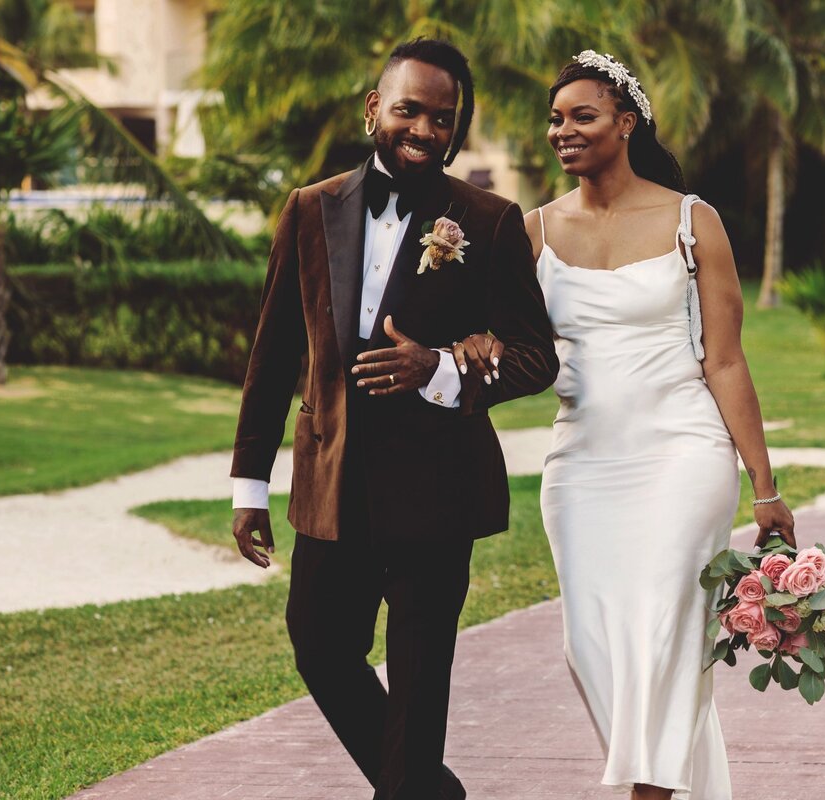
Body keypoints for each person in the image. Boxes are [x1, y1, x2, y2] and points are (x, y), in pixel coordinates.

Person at [229, 38, 558, 800]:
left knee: (418, 678)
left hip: (438, 488)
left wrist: (440, 367)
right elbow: (273, 354)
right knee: (319, 648)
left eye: (444, 119)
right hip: (331, 481)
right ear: (374, 106)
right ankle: (429, 790)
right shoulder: (310, 209)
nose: (425, 130)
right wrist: (251, 484)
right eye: (410, 109)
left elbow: (537, 356)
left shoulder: (491, 219)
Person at [523, 51, 796, 800]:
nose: (563, 131)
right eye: (555, 118)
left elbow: (728, 362)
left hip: (684, 453)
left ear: (626, 123)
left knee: (667, 636)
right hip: (582, 466)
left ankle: (649, 794)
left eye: (582, 115)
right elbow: (504, 349)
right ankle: (682, 785)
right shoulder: (534, 232)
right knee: (591, 648)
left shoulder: (690, 219)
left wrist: (764, 489)